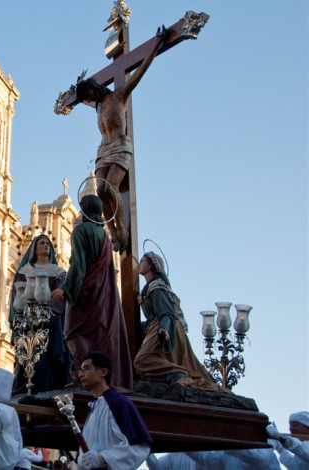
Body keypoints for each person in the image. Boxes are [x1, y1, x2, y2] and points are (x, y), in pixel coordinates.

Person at [74, 26, 167, 252]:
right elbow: (76, 100)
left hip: (119, 146)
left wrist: (156, 44)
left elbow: (141, 70)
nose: (88, 100)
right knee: (99, 192)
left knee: (110, 189)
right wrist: (71, 96)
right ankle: (113, 232)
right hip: (102, 151)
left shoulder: (118, 96)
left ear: (94, 90)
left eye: (88, 96)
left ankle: (121, 229)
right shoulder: (95, 106)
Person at [51, 195, 132, 391]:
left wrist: (66, 288)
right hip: (102, 294)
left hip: (84, 294)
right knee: (97, 337)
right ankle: (95, 376)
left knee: (72, 332)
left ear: (85, 210)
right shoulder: (104, 235)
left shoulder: (80, 230)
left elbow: (79, 264)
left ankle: (81, 375)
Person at [134, 252, 224, 390]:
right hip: (155, 326)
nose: (139, 264)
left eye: (142, 261)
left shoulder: (157, 287)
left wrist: (164, 328)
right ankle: (170, 377)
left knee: (142, 360)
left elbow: (167, 312)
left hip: (164, 326)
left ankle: (178, 375)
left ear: (151, 265)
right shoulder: (148, 288)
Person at [10, 234, 72, 394]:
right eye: (42, 243)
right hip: (27, 319)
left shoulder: (58, 272)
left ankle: (45, 386)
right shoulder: (24, 271)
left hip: (50, 321)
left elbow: (59, 297)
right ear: (34, 248)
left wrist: (45, 315)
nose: (46, 246)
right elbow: (17, 293)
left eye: (48, 244)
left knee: (48, 355)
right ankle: (25, 385)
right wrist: (23, 313)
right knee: (26, 352)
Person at [75, 351, 151, 470]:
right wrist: (82, 460)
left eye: (87, 368)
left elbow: (140, 448)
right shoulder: (93, 408)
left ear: (103, 372)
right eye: (80, 370)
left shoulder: (119, 403)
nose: (80, 374)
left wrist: (102, 458)